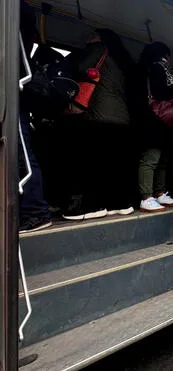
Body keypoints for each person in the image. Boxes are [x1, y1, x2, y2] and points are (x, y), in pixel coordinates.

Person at [60, 28, 137, 220]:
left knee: (91, 164)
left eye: (92, 35)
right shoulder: (122, 61)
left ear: (100, 38)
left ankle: (90, 207)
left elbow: (78, 67)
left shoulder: (98, 49)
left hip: (98, 117)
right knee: (113, 165)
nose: (89, 37)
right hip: (122, 119)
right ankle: (120, 204)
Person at [137, 42, 173, 212]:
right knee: (151, 158)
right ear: (165, 55)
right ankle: (146, 196)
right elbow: (159, 92)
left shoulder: (156, 68)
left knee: (162, 160)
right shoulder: (156, 68)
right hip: (155, 121)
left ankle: (159, 193)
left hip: (163, 123)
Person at [17, 1, 52, 233]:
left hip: (13, 91)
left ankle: (35, 212)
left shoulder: (17, 13)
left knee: (22, 155)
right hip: (16, 89)